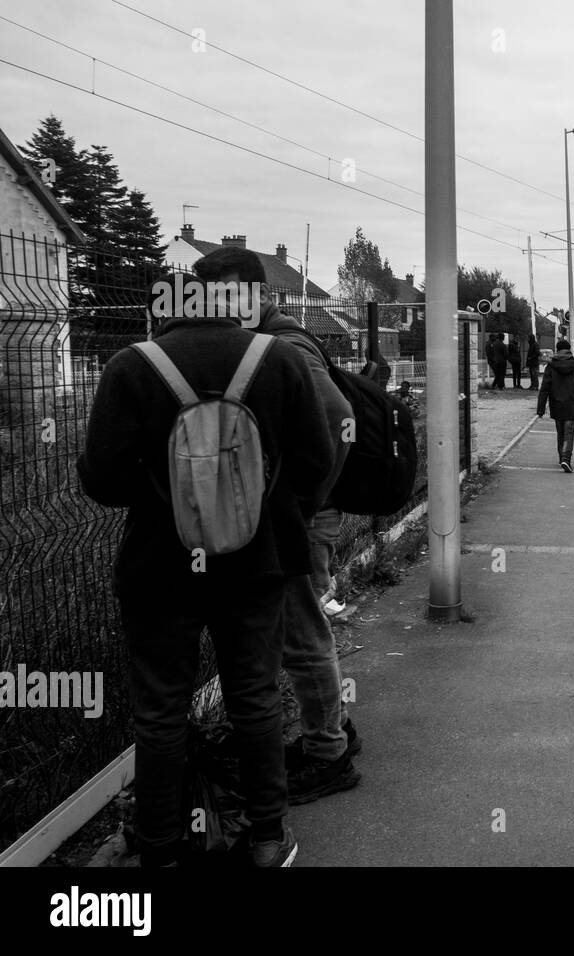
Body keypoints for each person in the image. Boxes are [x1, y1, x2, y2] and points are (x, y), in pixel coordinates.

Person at [77, 262, 335, 868]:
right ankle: (267, 839)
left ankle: (160, 850)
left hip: (159, 568)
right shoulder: (280, 361)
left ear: (170, 303)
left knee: (161, 708)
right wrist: (271, 511)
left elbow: (105, 482)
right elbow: (317, 461)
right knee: (255, 695)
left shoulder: (132, 366)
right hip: (258, 565)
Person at [206, 249, 362, 808]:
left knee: (302, 637)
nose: (219, 308)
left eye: (230, 295)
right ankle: (329, 733)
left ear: (262, 295)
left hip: (293, 519)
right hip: (288, 515)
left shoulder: (286, 346)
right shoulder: (264, 343)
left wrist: (302, 504)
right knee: (289, 633)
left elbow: (339, 421)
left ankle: (328, 754)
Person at [537, 338, 574, 472]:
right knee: (569, 433)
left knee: (561, 432)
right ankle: (566, 459)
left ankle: (562, 457)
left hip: (556, 404)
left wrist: (541, 408)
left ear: (557, 350)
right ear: (569, 350)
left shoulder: (551, 367)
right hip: (572, 404)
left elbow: (544, 388)